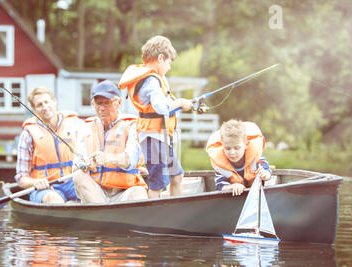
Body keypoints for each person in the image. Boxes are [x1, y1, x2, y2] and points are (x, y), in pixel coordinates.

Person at [118, 35, 193, 199]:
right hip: (153, 140)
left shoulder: (155, 79)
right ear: (160, 58)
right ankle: (154, 220)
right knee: (157, 184)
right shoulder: (151, 81)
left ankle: (176, 211)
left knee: (177, 175)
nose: (169, 68)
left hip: (161, 138)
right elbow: (161, 107)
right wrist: (180, 102)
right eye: (169, 63)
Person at [72, 80, 148, 203]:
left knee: (139, 192)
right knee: (78, 175)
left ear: (118, 103)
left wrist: (106, 158)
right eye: (98, 103)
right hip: (96, 193)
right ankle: (102, 214)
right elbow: (76, 166)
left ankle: (103, 216)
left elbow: (131, 160)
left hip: (124, 192)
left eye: (106, 103)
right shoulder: (86, 126)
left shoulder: (132, 125)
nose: (101, 108)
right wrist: (85, 164)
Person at [15, 86, 83, 204]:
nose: (45, 107)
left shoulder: (75, 124)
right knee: (54, 199)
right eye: (39, 105)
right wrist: (35, 182)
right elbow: (21, 180)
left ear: (54, 101)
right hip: (46, 189)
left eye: (47, 102)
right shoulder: (27, 135)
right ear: (34, 109)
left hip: (72, 182)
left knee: (93, 191)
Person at [206, 119, 272, 196]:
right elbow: (220, 186)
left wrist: (265, 175)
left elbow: (267, 171)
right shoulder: (221, 165)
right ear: (222, 146)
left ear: (246, 144)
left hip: (256, 196)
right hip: (234, 198)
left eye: (237, 148)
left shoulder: (255, 158)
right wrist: (232, 186)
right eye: (227, 148)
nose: (232, 152)